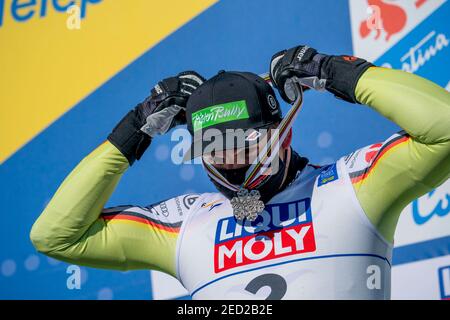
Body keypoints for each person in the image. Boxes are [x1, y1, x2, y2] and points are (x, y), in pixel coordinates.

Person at [30, 45, 450, 299]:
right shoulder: (186, 226)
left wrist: (332, 71)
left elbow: (444, 129)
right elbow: (55, 236)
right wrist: (136, 125)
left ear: (283, 134)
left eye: (246, 144)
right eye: (214, 149)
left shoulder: (351, 189)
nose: (231, 161)